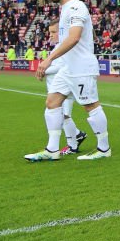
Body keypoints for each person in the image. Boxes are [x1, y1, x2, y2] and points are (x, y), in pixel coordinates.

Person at [25, 0, 111, 162]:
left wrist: (49, 60)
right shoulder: (65, 10)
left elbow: (74, 38)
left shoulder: (76, 7)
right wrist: (49, 60)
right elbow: (64, 41)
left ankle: (104, 149)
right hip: (67, 68)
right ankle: (52, 150)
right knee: (52, 102)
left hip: (80, 67)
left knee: (90, 105)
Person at [28, 21, 87, 157]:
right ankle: (76, 136)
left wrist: (43, 70)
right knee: (63, 115)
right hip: (58, 88)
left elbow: (63, 66)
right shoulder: (59, 47)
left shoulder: (66, 47)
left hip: (64, 87)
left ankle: (70, 145)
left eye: (54, 32)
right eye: (50, 32)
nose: (51, 35)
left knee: (61, 114)